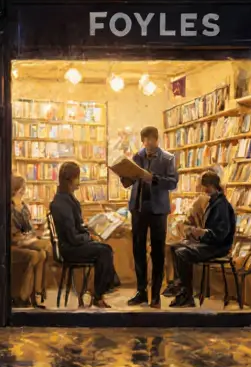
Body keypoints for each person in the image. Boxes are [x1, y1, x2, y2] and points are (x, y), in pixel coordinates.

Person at [119, 126, 178, 307]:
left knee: (158, 252)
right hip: (138, 208)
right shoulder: (137, 157)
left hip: (158, 210)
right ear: (143, 141)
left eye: (153, 140)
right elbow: (129, 182)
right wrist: (124, 176)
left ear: (157, 140)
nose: (149, 144)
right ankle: (141, 291)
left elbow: (173, 182)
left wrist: (152, 178)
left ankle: (156, 295)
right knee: (138, 250)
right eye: (146, 140)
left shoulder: (168, 158)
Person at [50, 162, 120, 308]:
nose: (79, 182)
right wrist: (88, 237)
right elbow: (72, 237)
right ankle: (101, 293)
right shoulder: (61, 203)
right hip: (70, 249)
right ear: (70, 179)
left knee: (105, 249)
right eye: (77, 178)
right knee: (104, 251)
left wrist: (88, 231)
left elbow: (76, 228)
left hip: (73, 244)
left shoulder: (67, 199)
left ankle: (102, 290)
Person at [169, 171, 236, 308]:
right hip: (210, 243)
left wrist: (202, 233)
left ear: (211, 185)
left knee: (182, 253)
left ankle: (186, 295)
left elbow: (220, 234)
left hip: (218, 247)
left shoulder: (221, 205)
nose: (202, 189)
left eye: (204, 186)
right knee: (174, 247)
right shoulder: (213, 201)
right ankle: (179, 287)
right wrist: (195, 233)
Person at [9, 174, 47, 308]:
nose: (24, 190)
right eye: (22, 187)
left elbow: (28, 228)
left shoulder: (23, 207)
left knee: (42, 254)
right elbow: (12, 233)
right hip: (12, 244)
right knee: (36, 254)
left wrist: (34, 233)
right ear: (16, 189)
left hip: (24, 241)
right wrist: (25, 238)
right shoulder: (9, 207)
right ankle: (23, 297)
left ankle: (34, 295)